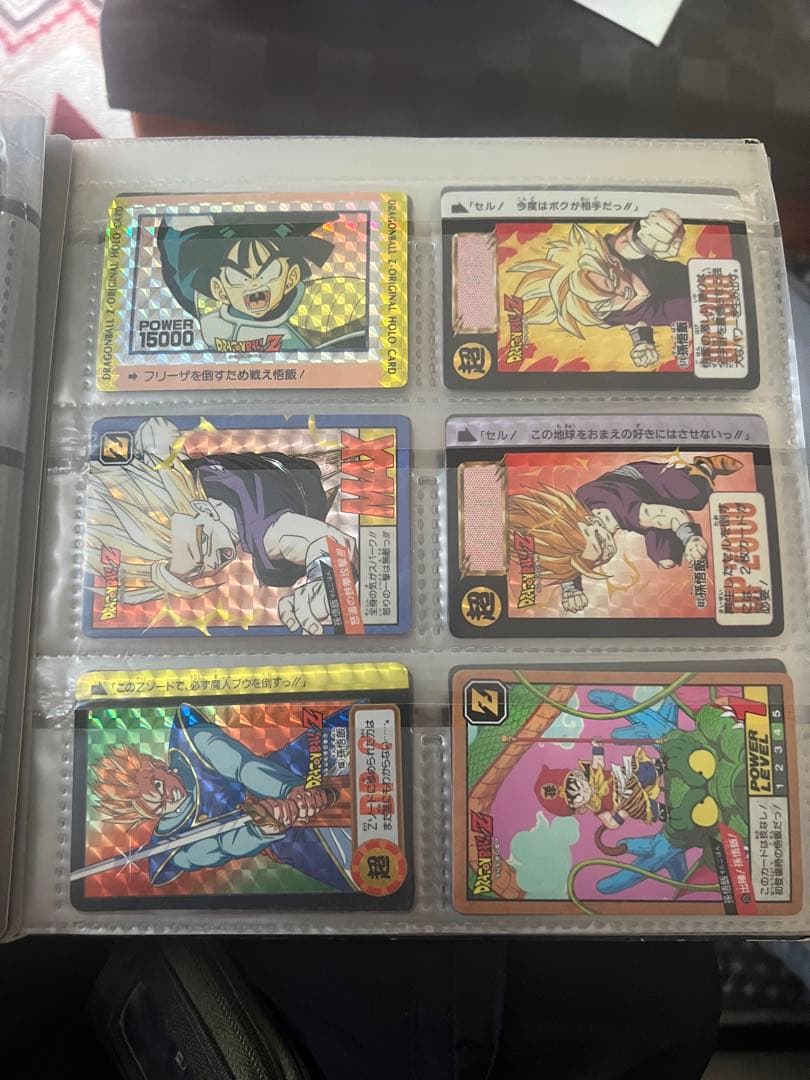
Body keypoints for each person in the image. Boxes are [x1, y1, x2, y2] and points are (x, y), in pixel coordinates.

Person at [86, 416, 355, 634]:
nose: (211, 563)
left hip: (327, 463)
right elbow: (326, 543)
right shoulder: (265, 535)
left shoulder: (191, 487)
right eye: (197, 569)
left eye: (202, 542)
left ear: (203, 509)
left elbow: (157, 432)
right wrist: (330, 585)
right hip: (325, 479)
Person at [88, 702, 350, 889]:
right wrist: (262, 829)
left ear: (156, 765)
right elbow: (221, 847)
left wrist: (288, 790)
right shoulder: (170, 848)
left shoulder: (192, 743)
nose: (170, 797)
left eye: (158, 786)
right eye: (158, 808)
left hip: (298, 765)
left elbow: (242, 766)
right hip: (298, 840)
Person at [509, 452, 742, 613]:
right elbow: (570, 562)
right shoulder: (577, 538)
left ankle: (706, 465)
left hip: (645, 481)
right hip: (638, 507)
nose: (607, 553)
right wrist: (571, 590)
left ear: (590, 522)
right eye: (599, 557)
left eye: (600, 542)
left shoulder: (627, 510)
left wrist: (690, 538)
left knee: (694, 494)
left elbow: (674, 515)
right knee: (666, 560)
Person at [157, 212, 366, 352]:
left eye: (267, 272)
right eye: (238, 276)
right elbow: (177, 254)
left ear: (291, 277)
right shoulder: (210, 310)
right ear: (218, 289)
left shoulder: (319, 308)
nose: (254, 283)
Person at [509, 208, 689, 368]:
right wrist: (642, 342)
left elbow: (628, 243)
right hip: (696, 318)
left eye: (613, 282)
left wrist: (649, 234)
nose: (622, 294)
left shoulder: (616, 255)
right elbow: (633, 320)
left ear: (614, 263)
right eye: (607, 304)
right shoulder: (608, 314)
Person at [535, 740, 666, 830]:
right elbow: (611, 823)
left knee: (640, 772)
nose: (583, 791)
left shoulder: (593, 775)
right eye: (579, 796)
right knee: (643, 808)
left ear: (578, 775)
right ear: (580, 808)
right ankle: (661, 811)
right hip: (629, 801)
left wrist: (597, 748)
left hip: (625, 778)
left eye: (579, 785)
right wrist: (623, 813)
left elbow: (598, 762)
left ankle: (658, 767)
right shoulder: (596, 807)